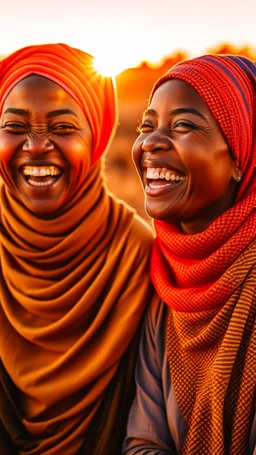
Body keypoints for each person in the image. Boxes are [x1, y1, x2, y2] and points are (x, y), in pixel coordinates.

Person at [0, 43, 156, 455]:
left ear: (99, 136)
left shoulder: (135, 253)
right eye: (14, 126)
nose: (35, 146)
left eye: (63, 128)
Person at [122, 54, 256, 454]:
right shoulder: (168, 280)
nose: (151, 142)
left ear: (240, 155)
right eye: (146, 126)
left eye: (182, 125)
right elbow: (143, 441)